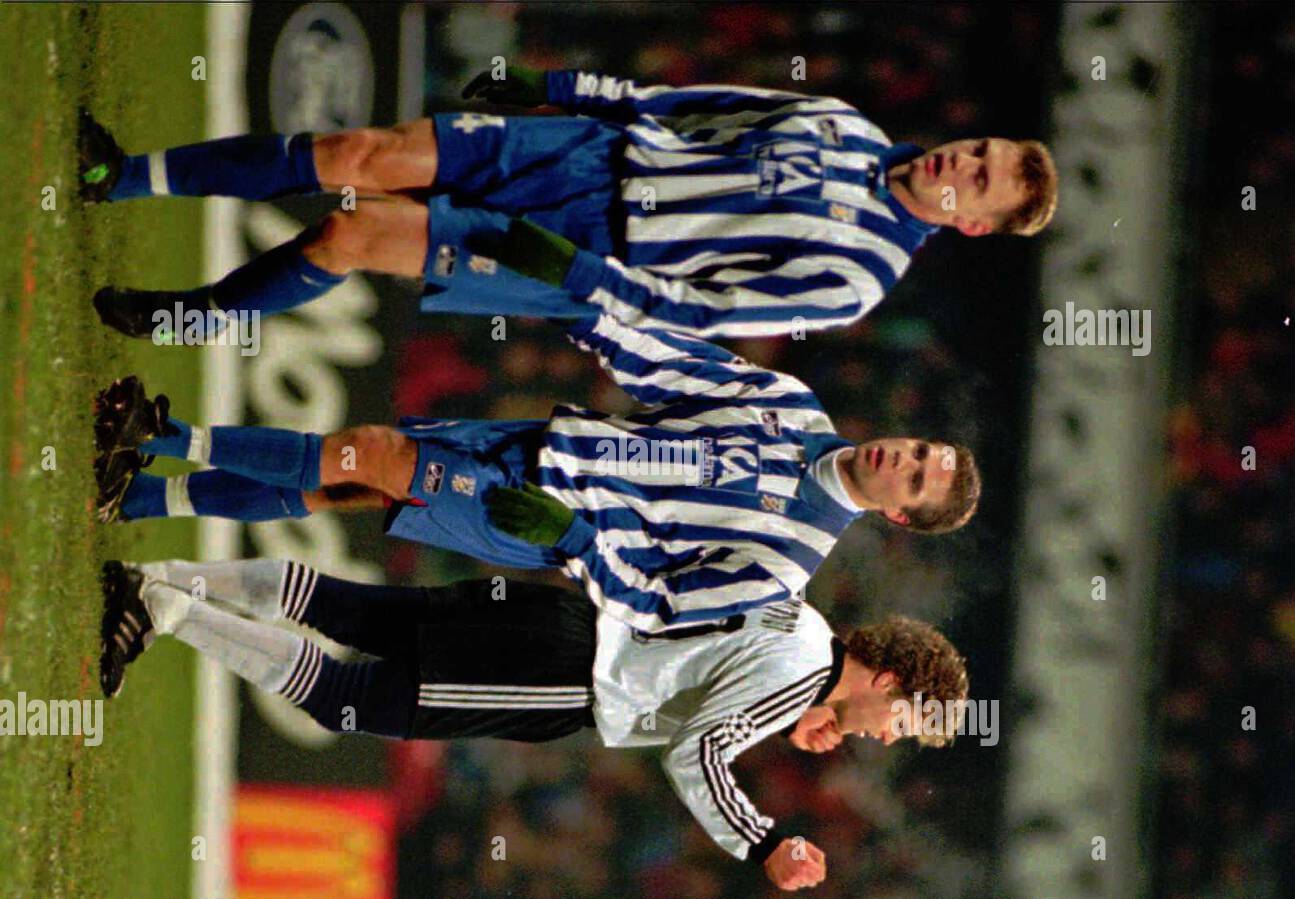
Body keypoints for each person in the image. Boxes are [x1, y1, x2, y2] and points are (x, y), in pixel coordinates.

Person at [99, 557, 969, 891]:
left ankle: (167, 575)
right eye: (903, 719)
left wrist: (797, 719)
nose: (888, 737)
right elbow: (697, 748)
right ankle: (167, 610)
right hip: (564, 682)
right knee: (351, 697)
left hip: (560, 620)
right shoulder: (802, 675)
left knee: (358, 612)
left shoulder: (803, 620)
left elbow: (712, 662)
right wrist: (761, 840)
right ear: (891, 678)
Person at [92, 313, 980, 633]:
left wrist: (575, 540)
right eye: (916, 449)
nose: (900, 457)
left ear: (899, 516)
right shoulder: (793, 403)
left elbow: (660, 602)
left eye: (913, 478)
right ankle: (142, 492)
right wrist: (591, 312)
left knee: (372, 453)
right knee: (352, 479)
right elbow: (675, 367)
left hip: (533, 511)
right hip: (545, 439)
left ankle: (161, 433)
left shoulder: (789, 562)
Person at [82, 65, 1057, 342]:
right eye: (977, 149)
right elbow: (695, 107)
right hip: (588, 148)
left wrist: (585, 279)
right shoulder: (842, 122)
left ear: (971, 223)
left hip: (582, 247)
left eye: (978, 180)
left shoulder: (854, 281)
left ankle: (179, 319)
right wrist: (574, 89)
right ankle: (121, 175)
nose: (960, 162)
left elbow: (705, 311)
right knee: (354, 153)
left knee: (347, 232)